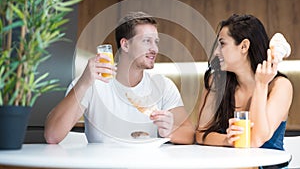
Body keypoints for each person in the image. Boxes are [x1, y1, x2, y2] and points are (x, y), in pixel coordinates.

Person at [44, 11, 195, 144]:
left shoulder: (163, 86)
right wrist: (83, 84)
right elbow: (52, 136)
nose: (154, 49)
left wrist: (169, 131)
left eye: (156, 42)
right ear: (125, 45)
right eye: (147, 41)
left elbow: (189, 133)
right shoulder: (91, 83)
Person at [195, 14, 293, 150]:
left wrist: (261, 85)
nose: (216, 52)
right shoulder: (217, 82)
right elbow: (201, 134)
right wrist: (227, 140)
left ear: (244, 46)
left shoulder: (280, 86)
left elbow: (254, 140)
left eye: (222, 44)